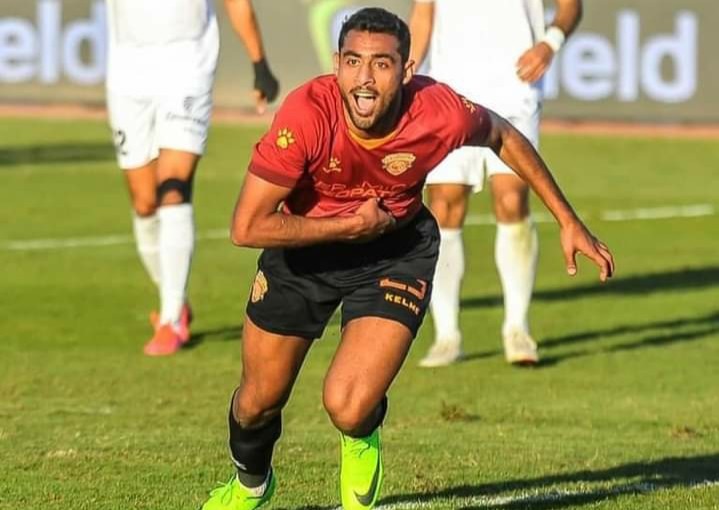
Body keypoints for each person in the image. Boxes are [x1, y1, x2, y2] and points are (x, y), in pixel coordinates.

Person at [199, 7, 612, 510]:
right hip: (303, 255)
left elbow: (502, 134)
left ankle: (362, 432)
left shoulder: (437, 110)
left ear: (407, 69)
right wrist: (348, 226)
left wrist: (567, 219)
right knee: (256, 402)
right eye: (353, 62)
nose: (364, 79)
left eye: (381, 64)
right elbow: (246, 227)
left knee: (347, 405)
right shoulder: (306, 113)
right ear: (336, 64)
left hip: (394, 255)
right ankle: (251, 485)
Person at [408, 0, 583, 367]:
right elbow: (424, 12)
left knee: (511, 198)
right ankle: (447, 336)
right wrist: (407, 69)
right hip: (450, 84)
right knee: (445, 205)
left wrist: (550, 42)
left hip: (515, 83)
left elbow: (571, 6)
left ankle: (517, 329)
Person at [105, 0, 279, 356]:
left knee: (174, 186)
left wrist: (259, 63)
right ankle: (175, 299)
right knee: (145, 203)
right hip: (127, 71)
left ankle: (170, 320)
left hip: (187, 65)